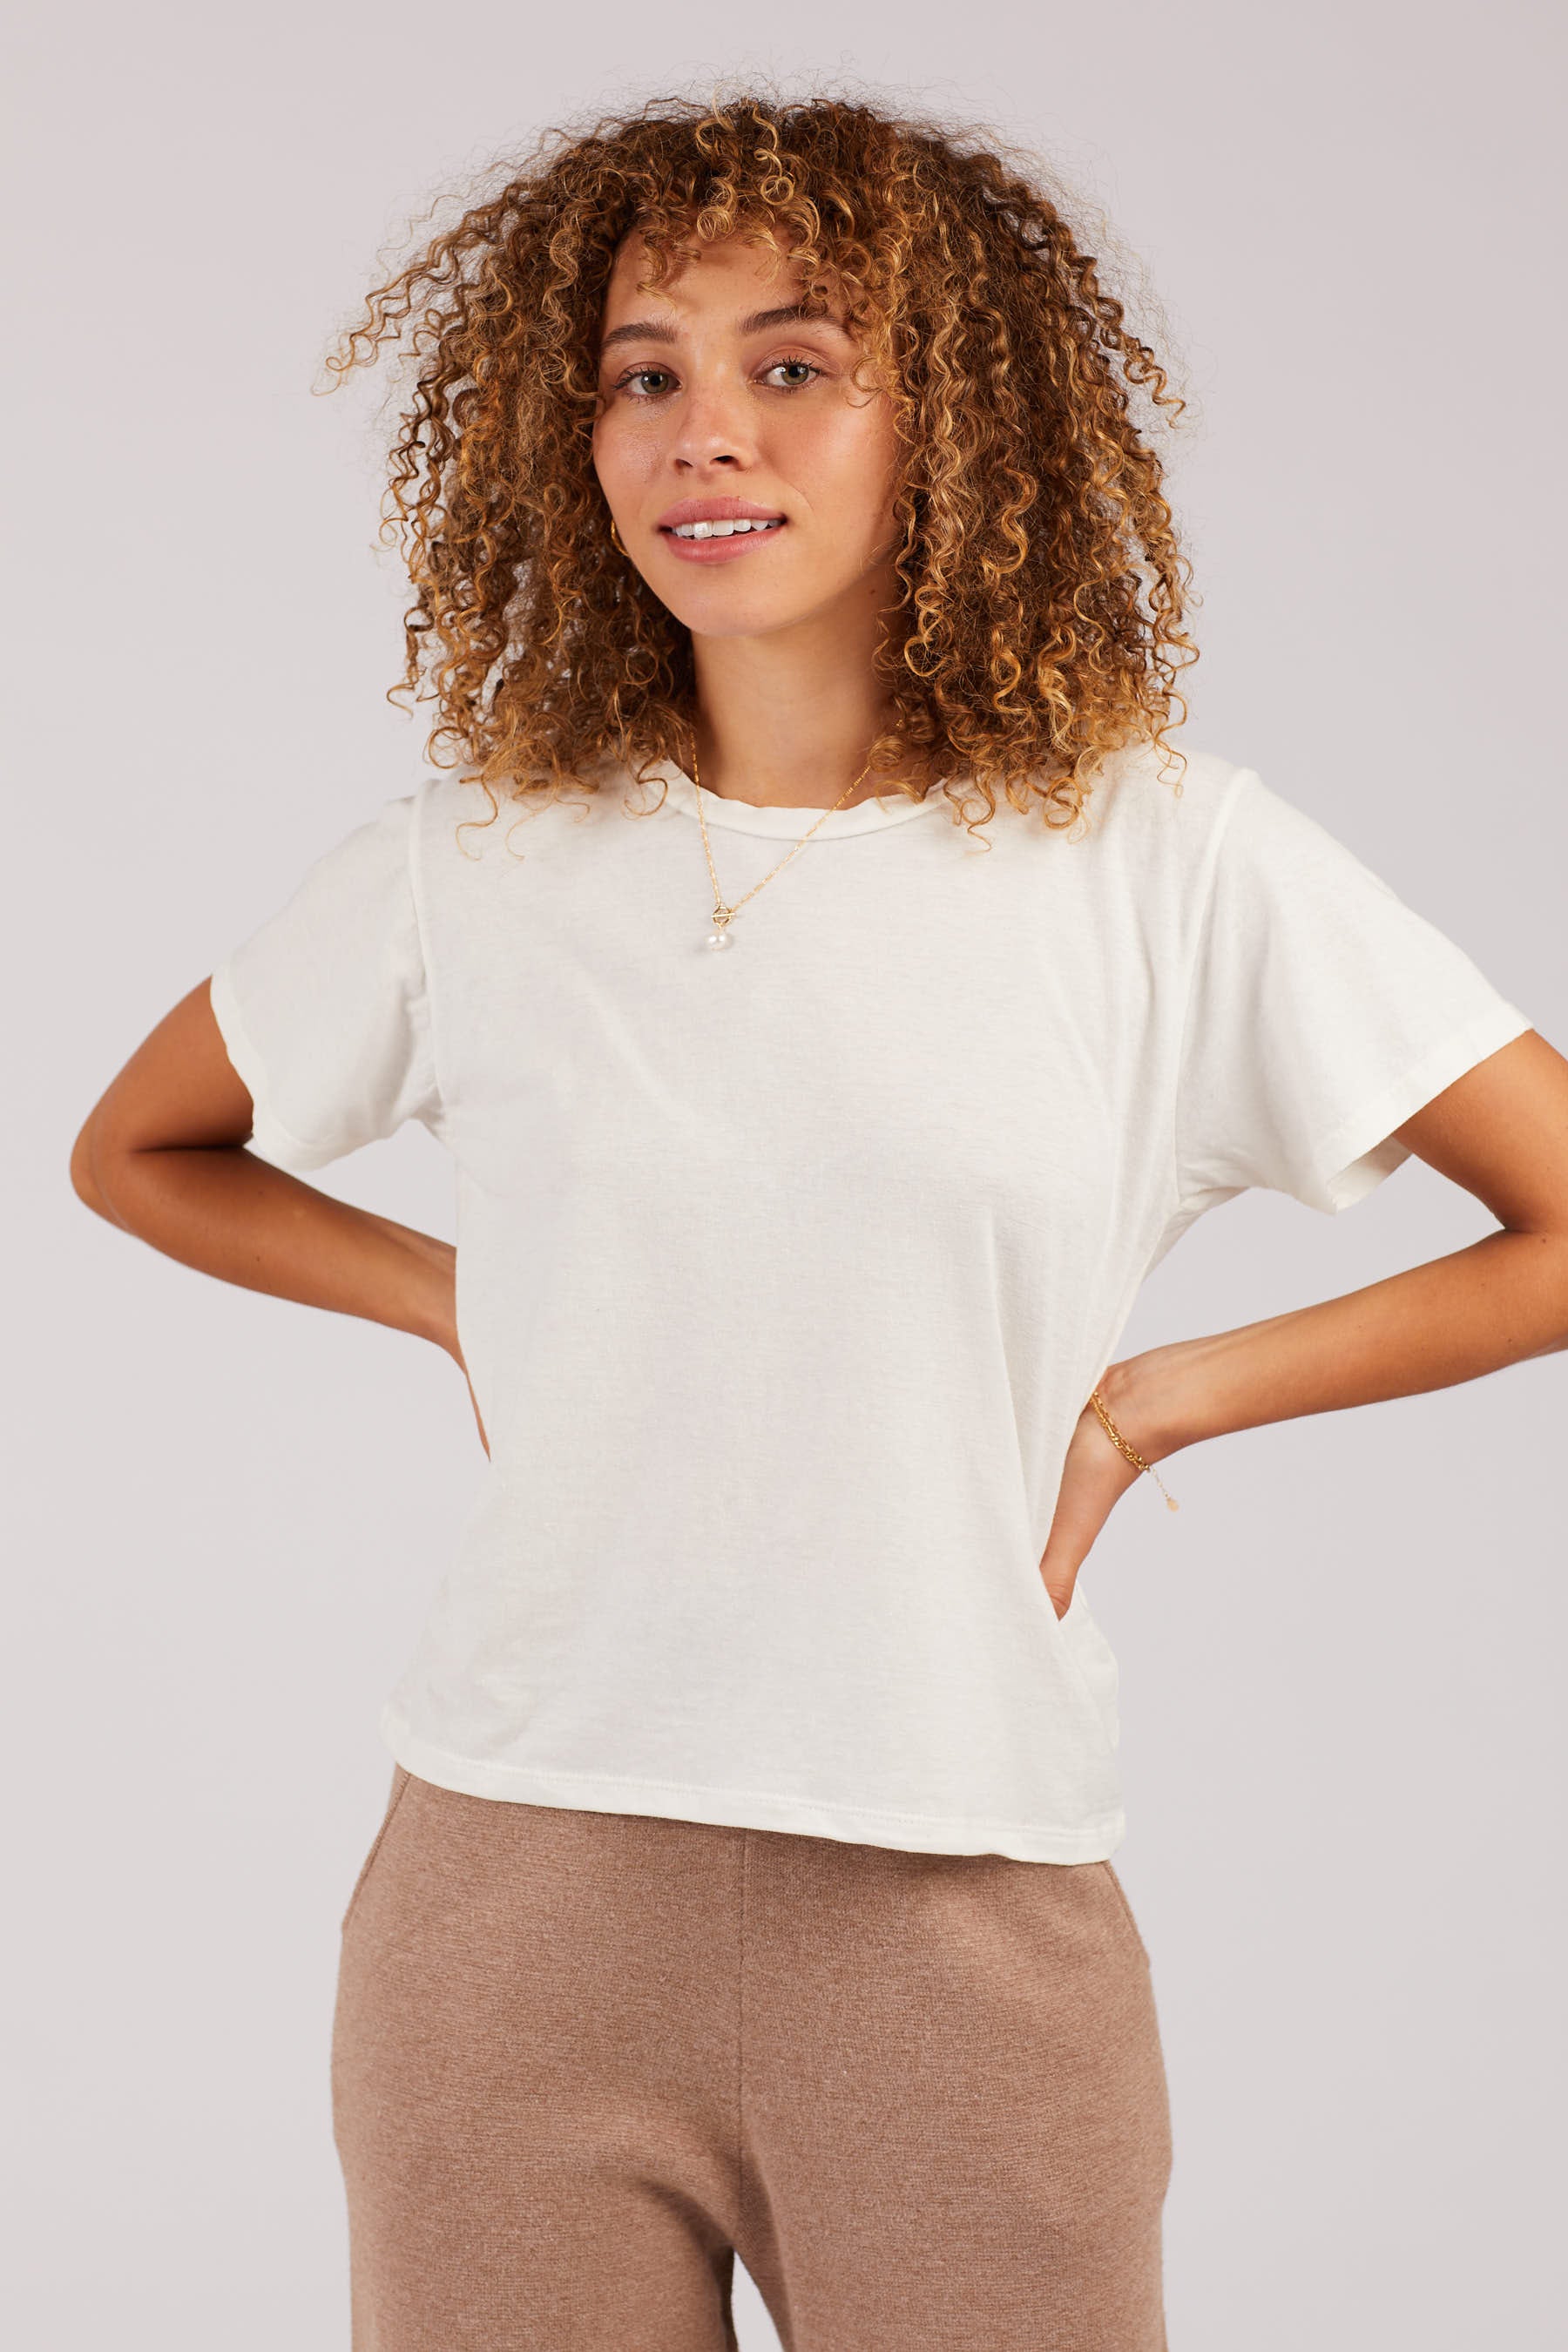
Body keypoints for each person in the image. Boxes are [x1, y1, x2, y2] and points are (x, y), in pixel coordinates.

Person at [69, 87, 1568, 2352]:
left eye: (794, 364)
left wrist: (1155, 1403)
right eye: (643, 372)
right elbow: (140, 1146)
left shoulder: (1166, 864)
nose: (706, 430)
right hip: (509, 1904)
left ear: (952, 415)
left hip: (955, 1914)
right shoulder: (478, 862)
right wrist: (465, 1301)